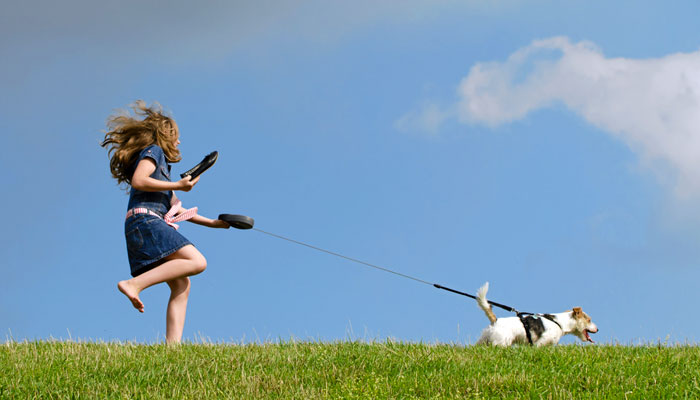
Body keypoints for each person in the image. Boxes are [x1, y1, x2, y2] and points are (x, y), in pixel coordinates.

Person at [101, 100, 229, 343]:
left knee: (182, 284)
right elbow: (139, 180)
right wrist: (178, 184)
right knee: (197, 261)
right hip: (144, 222)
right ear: (164, 136)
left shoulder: (163, 172)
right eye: (176, 136)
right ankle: (133, 284)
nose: (179, 142)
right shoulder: (153, 152)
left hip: (146, 223)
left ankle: (172, 350)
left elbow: (176, 209)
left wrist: (212, 223)